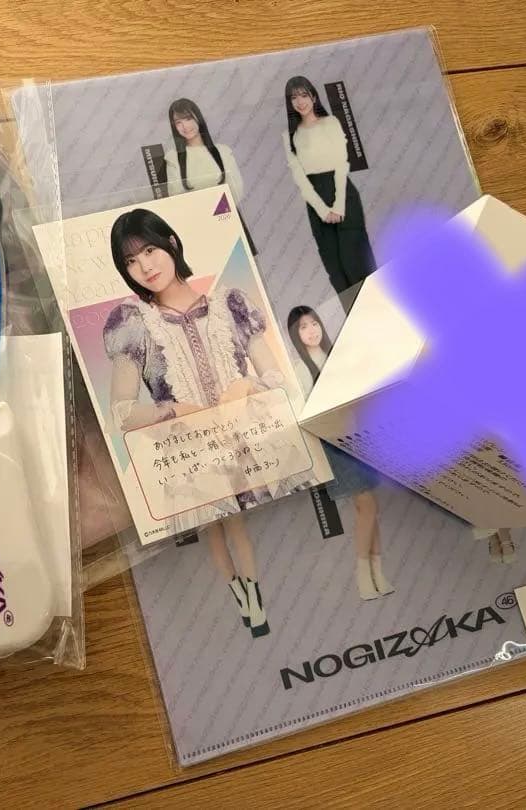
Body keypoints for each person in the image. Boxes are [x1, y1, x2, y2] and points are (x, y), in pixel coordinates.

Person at [102, 208, 291, 637]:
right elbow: (121, 413)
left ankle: (253, 596)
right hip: (188, 451)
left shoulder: (229, 305)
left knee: (236, 522)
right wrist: (172, 411)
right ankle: (241, 595)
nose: (144, 266)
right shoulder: (134, 324)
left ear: (171, 242)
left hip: (244, 441)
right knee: (213, 526)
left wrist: (244, 387)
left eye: (149, 251)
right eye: (130, 261)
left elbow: (277, 378)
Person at [287, 306, 394, 600]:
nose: (311, 330)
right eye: (303, 327)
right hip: (333, 442)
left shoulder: (337, 355)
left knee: (367, 509)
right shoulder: (300, 368)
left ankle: (377, 574)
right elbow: (305, 412)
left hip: (358, 434)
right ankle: (363, 575)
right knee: (367, 505)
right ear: (295, 335)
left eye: (314, 323)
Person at [282, 76, 376, 305]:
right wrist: (323, 210)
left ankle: (380, 311)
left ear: (314, 97)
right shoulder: (289, 136)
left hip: (342, 193)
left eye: (304, 95)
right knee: (335, 269)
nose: (300, 101)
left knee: (356, 261)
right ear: (289, 103)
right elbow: (299, 178)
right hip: (315, 202)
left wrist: (338, 205)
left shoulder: (331, 123)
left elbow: (341, 164)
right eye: (294, 97)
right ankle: (354, 319)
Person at [164, 98, 257, 254]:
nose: (185, 126)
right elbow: (176, 197)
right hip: (198, 227)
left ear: (198, 118)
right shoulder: (173, 158)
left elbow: (236, 190)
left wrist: (215, 211)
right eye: (178, 122)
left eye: (188, 118)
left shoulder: (222, 151)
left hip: (228, 220)